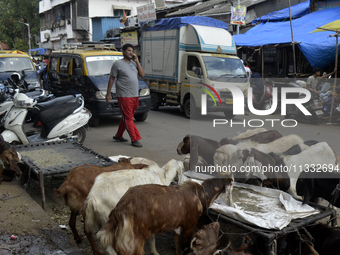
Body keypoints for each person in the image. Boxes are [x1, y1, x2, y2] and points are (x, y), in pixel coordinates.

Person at [105, 43, 145, 148]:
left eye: (132, 51)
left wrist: (138, 62)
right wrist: (108, 93)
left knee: (128, 117)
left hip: (135, 95)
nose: (131, 52)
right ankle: (135, 138)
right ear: (123, 52)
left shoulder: (134, 63)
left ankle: (118, 135)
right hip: (124, 95)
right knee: (129, 119)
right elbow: (111, 78)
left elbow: (142, 75)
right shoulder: (117, 64)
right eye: (129, 51)